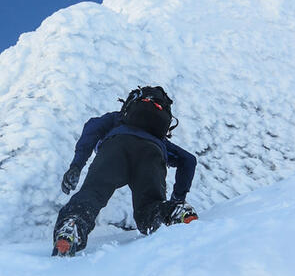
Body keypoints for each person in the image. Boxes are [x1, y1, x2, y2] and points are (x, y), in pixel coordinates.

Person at [52, 86, 198, 257]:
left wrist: (76, 165)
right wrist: (177, 199)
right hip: (151, 153)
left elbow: (92, 127)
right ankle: (173, 212)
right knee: (148, 212)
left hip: (115, 149)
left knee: (92, 195)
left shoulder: (118, 119)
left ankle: (73, 225)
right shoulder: (159, 139)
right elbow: (188, 160)